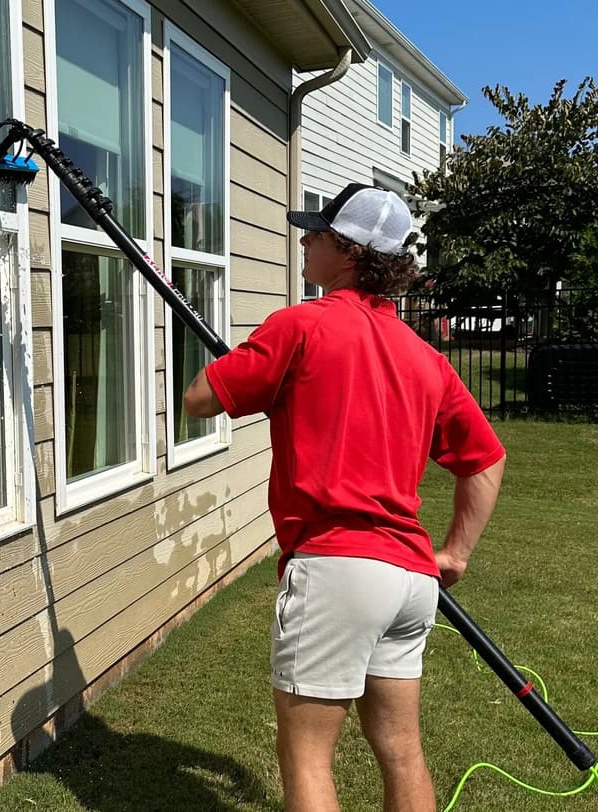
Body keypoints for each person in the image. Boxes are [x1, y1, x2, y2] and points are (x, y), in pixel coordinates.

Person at [182, 183, 506, 812]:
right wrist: (456, 552)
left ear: (349, 251)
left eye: (317, 233)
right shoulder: (425, 358)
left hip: (336, 568)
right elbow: (487, 460)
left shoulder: (301, 325)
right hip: (410, 581)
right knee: (402, 749)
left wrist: (252, 368)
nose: (304, 239)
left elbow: (198, 400)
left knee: (306, 757)